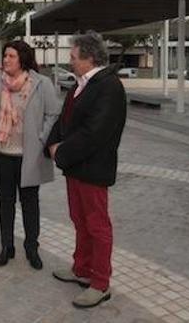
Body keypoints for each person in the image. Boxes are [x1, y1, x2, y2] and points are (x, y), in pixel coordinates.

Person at [47, 31, 126, 310]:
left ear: (90, 58)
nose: (70, 62)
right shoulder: (81, 84)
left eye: (72, 57)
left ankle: (100, 283)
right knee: (79, 220)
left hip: (93, 169)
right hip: (76, 167)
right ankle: (81, 269)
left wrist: (61, 151)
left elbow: (95, 133)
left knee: (97, 226)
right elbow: (64, 120)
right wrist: (52, 143)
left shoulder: (109, 87)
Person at [0, 39, 60, 270]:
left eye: (11, 56)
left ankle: (31, 248)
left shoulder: (41, 83)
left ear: (22, 58)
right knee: (5, 203)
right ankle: (7, 247)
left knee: (30, 203)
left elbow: (53, 114)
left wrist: (41, 138)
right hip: (3, 153)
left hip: (29, 156)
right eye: (5, 55)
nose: (6, 60)